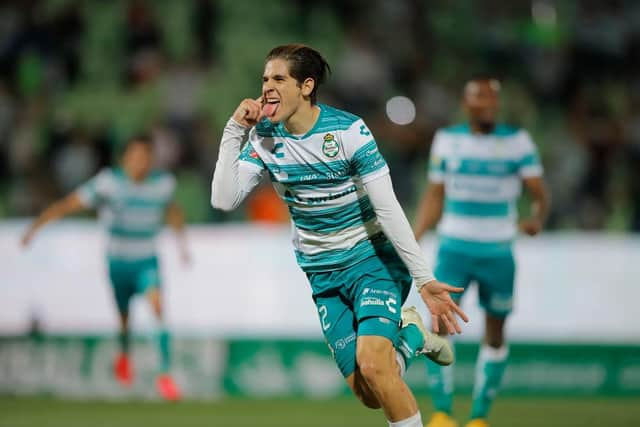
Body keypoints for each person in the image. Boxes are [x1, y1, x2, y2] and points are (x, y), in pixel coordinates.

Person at [210, 44, 468, 427]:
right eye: (265, 79)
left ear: (306, 86)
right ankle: (411, 334)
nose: (267, 87)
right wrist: (235, 130)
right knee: (368, 392)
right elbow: (224, 199)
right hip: (322, 274)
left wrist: (423, 278)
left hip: (371, 261)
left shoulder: (348, 132)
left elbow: (388, 207)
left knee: (375, 366)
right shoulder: (264, 138)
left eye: (279, 78)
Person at [411, 77, 550, 427]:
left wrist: (536, 218)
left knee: (496, 330)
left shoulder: (517, 143)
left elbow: (539, 193)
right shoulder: (448, 140)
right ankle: (442, 412)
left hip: (498, 250)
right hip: (454, 246)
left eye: (492, 99)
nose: (487, 105)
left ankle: (480, 417)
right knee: (438, 324)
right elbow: (434, 196)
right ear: (467, 104)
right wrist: (413, 237)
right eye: (480, 99)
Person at [21, 135, 188, 401]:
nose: (140, 162)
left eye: (145, 157)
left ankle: (165, 375)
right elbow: (70, 204)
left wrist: (182, 245)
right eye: (135, 157)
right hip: (118, 263)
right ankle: (123, 353)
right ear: (125, 159)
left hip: (146, 260)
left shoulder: (162, 184)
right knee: (124, 319)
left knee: (157, 308)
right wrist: (35, 227)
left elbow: (174, 210)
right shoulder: (109, 183)